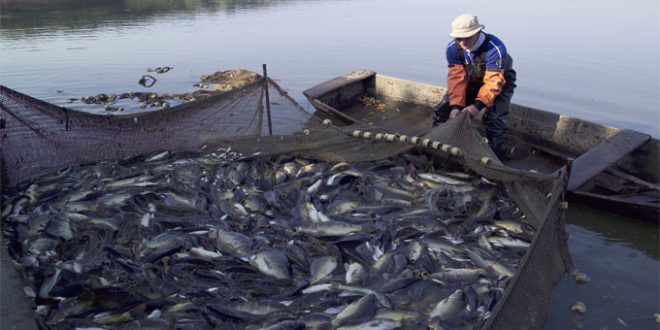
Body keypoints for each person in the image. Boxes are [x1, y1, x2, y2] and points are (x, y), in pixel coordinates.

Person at [443, 13, 517, 157]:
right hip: (471, 80)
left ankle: (494, 155)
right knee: (443, 109)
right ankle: (443, 143)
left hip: (499, 82)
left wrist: (477, 106)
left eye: (467, 37)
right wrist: (456, 106)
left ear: (477, 32)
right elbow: (456, 78)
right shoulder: (452, 49)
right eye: (459, 38)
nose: (462, 42)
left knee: (494, 119)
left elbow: (493, 82)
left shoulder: (494, 48)